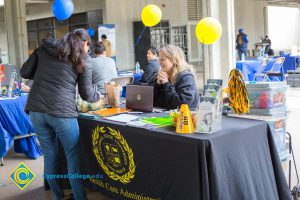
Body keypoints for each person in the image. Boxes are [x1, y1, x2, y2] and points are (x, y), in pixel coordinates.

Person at [20, 29, 100, 200]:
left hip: (36, 110)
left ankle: (57, 196)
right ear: (85, 43)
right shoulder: (83, 58)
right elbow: (87, 95)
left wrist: (40, 60)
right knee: (72, 156)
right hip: (62, 113)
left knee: (49, 154)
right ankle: (79, 197)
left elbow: (24, 72)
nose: (88, 51)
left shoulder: (45, 49)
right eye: (88, 47)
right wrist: (99, 94)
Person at [154, 44, 199, 110]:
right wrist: (158, 85)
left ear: (174, 60)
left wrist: (166, 84)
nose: (159, 62)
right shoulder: (166, 75)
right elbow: (155, 102)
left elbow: (180, 104)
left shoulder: (186, 77)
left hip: (185, 118)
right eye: (159, 59)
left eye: (163, 59)